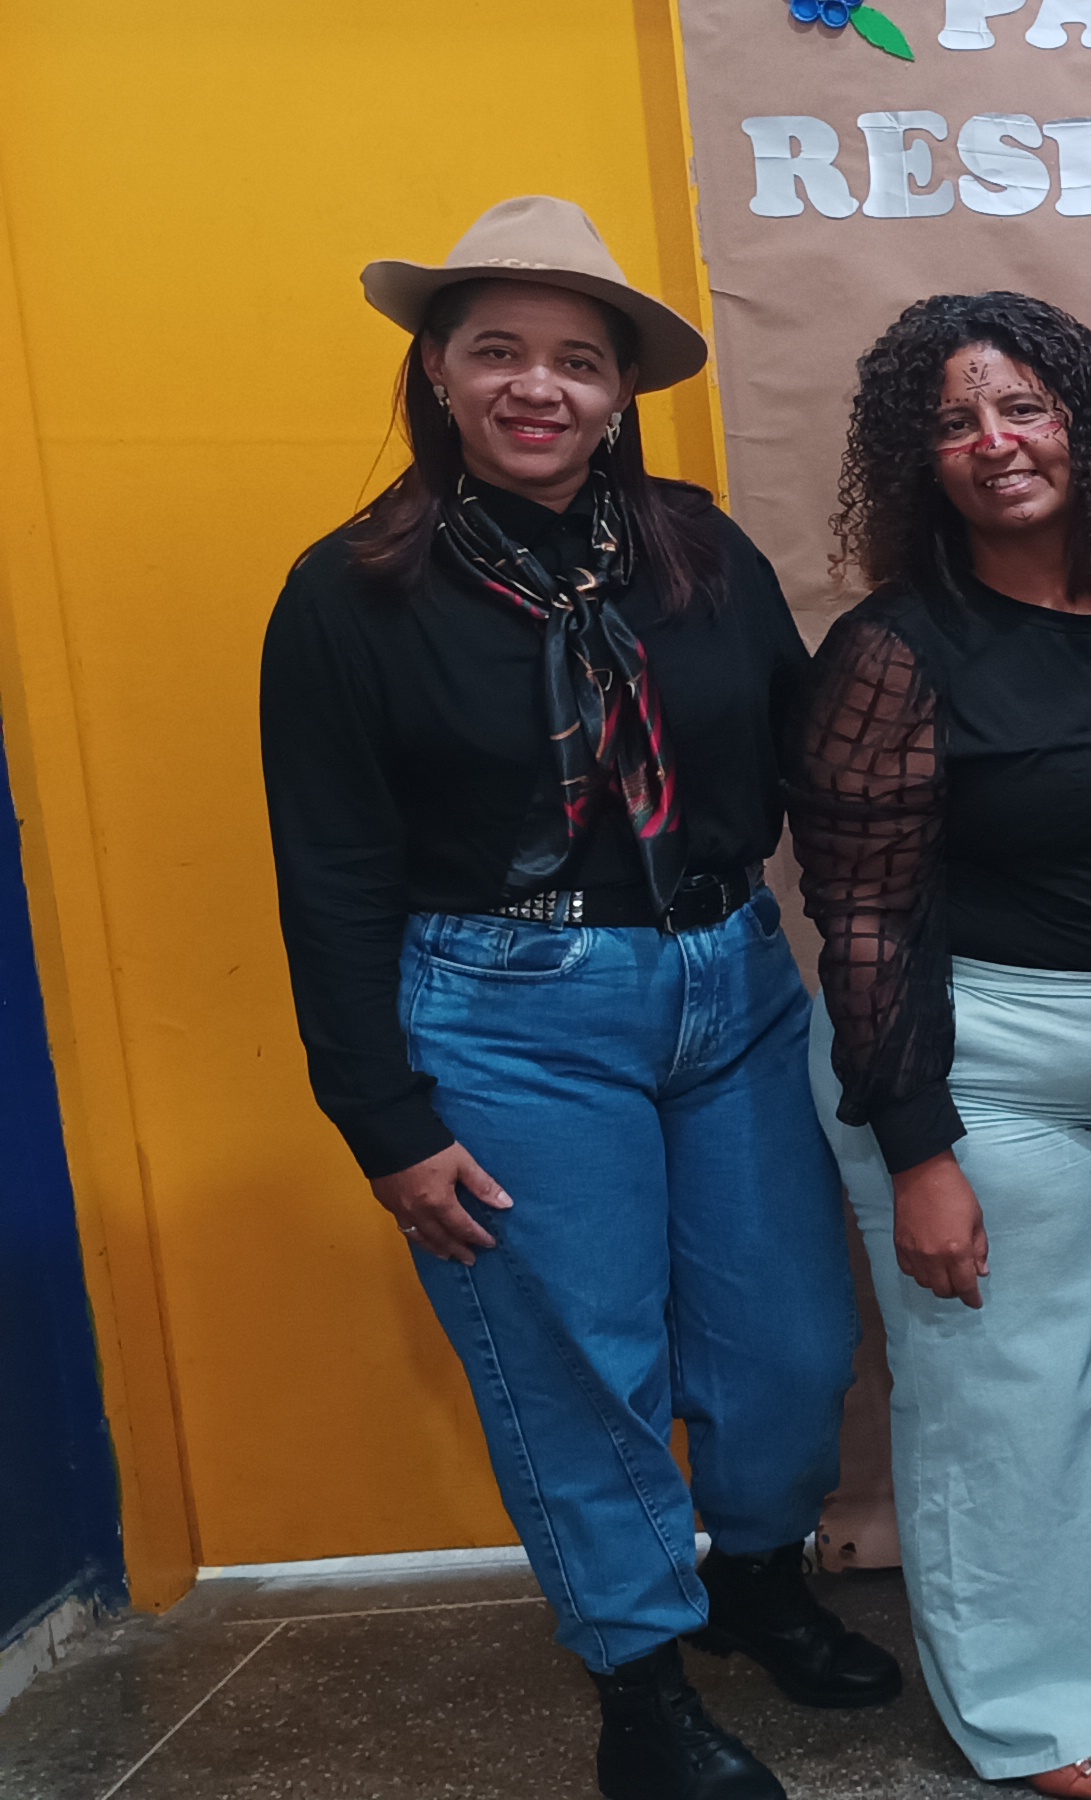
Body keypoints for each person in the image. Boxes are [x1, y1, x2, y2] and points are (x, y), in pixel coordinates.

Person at [261, 195, 892, 1800]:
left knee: (787, 1339)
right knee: (580, 1360)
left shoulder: (700, 556)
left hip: (728, 979)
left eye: (577, 361)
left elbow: (821, 752)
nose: (537, 387)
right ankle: (640, 1684)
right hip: (505, 1007)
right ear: (439, 373)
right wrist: (383, 1118)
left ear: (620, 393)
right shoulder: (351, 594)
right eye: (499, 352)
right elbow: (330, 870)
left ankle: (758, 1578)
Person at [793, 292, 1091, 1800]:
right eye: (954, 422)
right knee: (1012, 1406)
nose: (996, 443)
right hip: (977, 1069)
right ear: (916, 458)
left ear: (1083, 424)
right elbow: (860, 922)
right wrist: (918, 1153)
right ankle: (1039, 1709)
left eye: (1022, 408)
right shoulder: (893, 652)